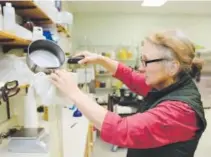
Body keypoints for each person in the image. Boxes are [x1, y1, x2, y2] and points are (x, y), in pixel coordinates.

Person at [50, 30, 207, 157]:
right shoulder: (167, 83)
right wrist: (99, 59)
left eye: (146, 61)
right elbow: (132, 77)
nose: (140, 67)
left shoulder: (181, 111)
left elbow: (121, 130)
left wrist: (74, 92)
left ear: (172, 67)